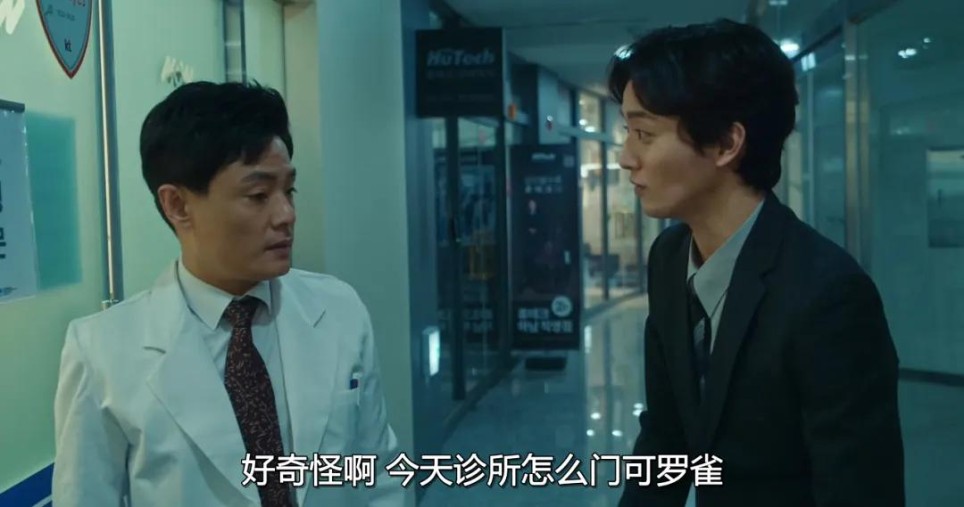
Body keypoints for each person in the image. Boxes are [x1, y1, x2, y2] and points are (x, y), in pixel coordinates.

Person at [52, 82, 403, 506]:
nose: (286, 215)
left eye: (289, 191)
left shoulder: (339, 309)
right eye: (258, 195)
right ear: (177, 205)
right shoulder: (102, 351)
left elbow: (378, 471)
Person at [611, 19, 904, 507]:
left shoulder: (828, 295)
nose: (625, 157)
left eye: (643, 133)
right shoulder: (669, 257)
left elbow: (859, 489)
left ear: (727, 144)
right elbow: (666, 436)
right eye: (628, 131)